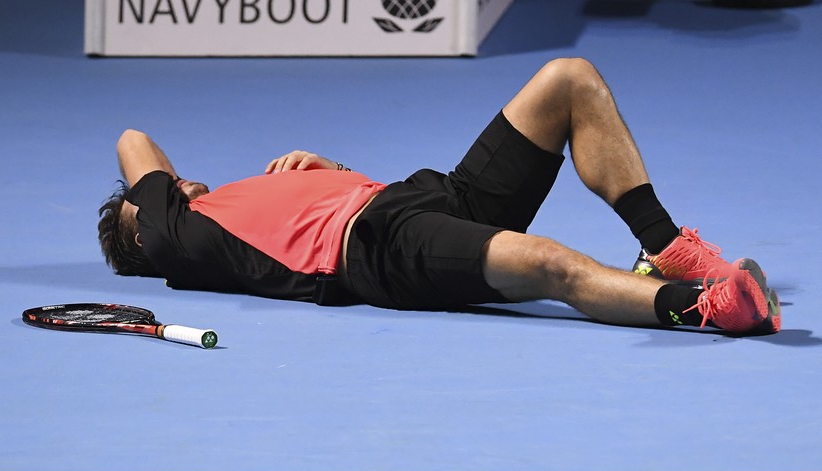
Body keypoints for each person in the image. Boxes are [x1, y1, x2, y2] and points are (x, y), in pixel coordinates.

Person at [98, 58, 780, 335]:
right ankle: (704, 308)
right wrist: (149, 199)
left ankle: (667, 248)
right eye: (148, 202)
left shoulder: (222, 212)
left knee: (566, 80)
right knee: (547, 264)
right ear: (142, 232)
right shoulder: (173, 237)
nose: (171, 188)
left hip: (422, 198)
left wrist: (330, 169)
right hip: (379, 250)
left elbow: (335, 202)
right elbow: (135, 140)